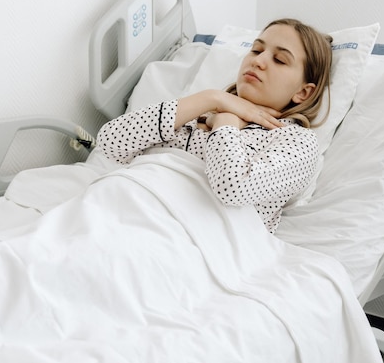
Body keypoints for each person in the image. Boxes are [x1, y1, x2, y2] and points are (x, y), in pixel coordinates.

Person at [97, 18, 333, 233]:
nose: (258, 61)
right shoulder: (196, 111)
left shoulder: (296, 141)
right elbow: (110, 142)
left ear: (303, 92)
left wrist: (225, 123)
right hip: (123, 206)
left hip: (188, 236)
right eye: (256, 50)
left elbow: (233, 187)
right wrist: (211, 99)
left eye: (280, 60)